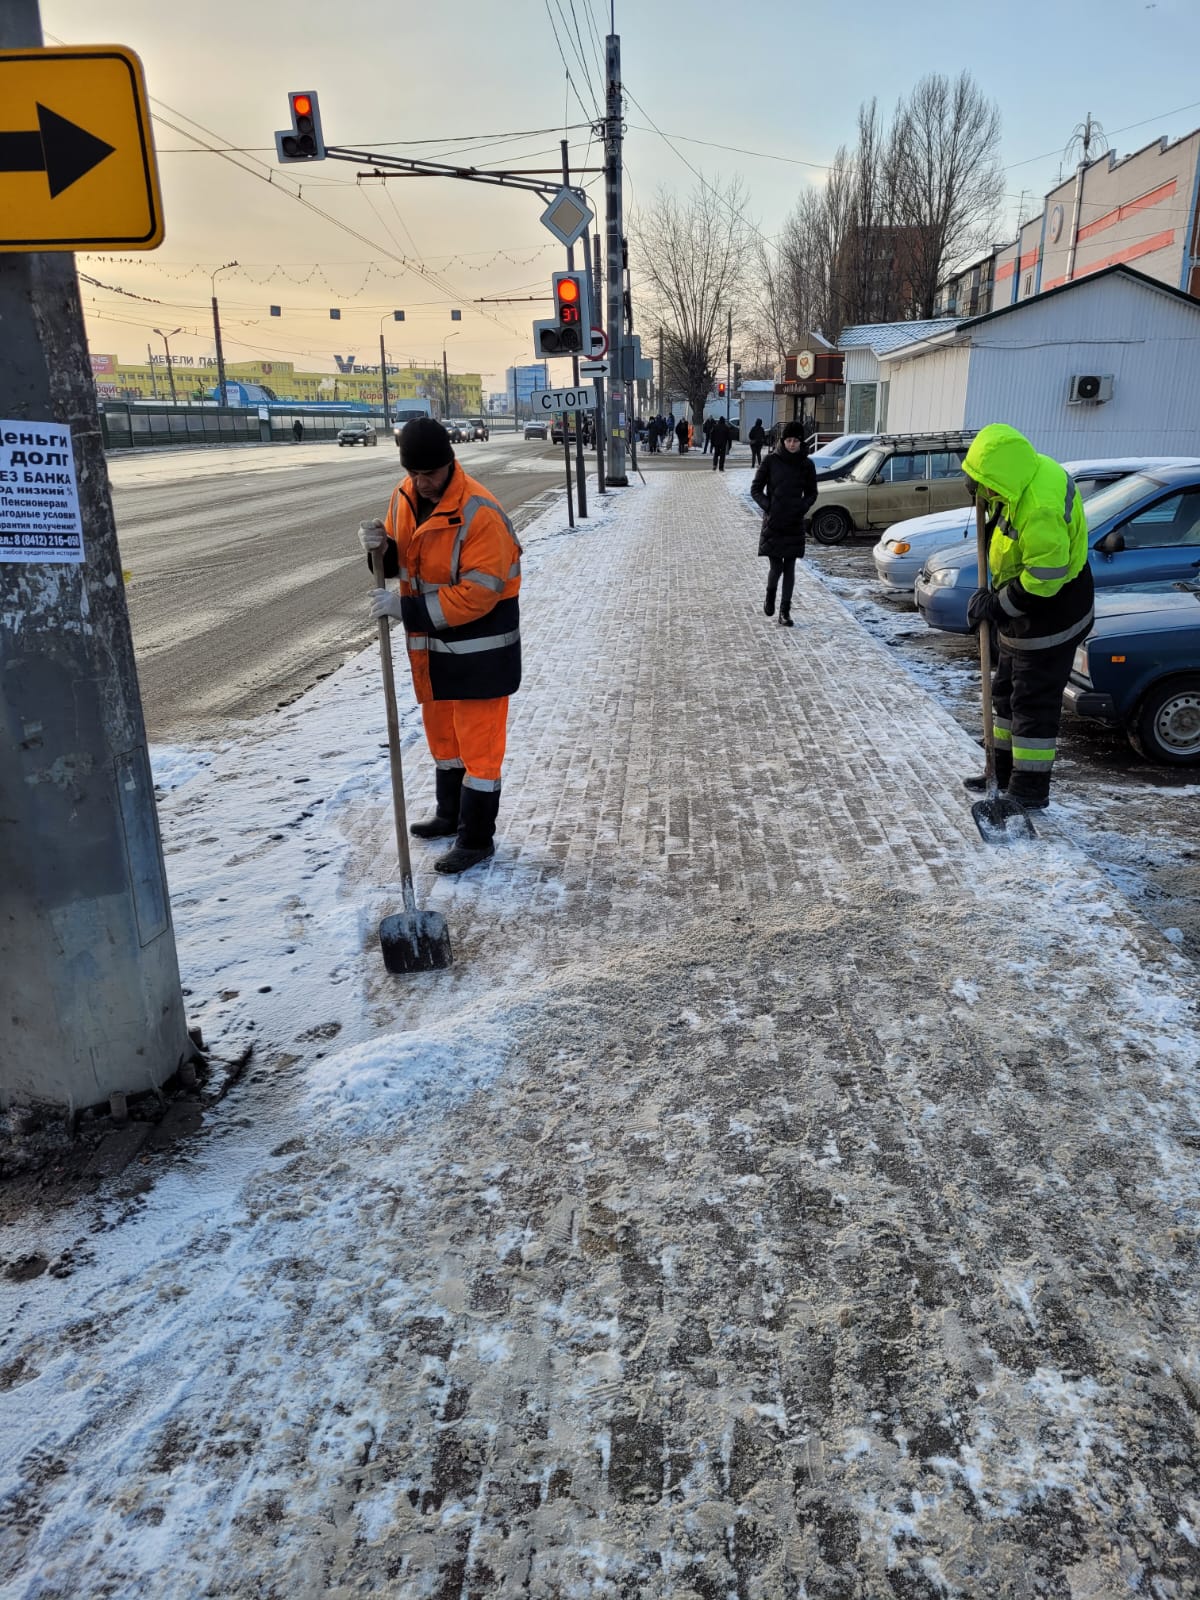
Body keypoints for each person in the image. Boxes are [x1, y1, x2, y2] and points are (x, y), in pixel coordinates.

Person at [357, 416, 522, 873]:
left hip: (480, 654)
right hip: (433, 649)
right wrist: (379, 549)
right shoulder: (405, 496)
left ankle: (476, 839)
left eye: (429, 473)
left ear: (450, 463)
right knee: (444, 740)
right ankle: (449, 816)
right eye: (414, 473)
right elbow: (402, 560)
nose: (421, 482)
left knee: (480, 752)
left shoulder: (479, 512)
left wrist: (404, 610)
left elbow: (478, 593)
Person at [961, 423, 1094, 811]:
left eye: (984, 484)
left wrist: (998, 606)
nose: (982, 491)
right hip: (1025, 605)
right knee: (1005, 693)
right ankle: (999, 770)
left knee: (1032, 703)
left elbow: (1044, 578)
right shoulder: (1018, 477)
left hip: (1052, 612)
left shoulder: (1041, 506)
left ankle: (1029, 791)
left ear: (1001, 476)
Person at [750, 420, 817, 628]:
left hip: (794, 522)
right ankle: (770, 595)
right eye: (788, 440)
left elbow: (812, 493)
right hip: (774, 523)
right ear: (783, 441)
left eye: (795, 440)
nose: (791, 444)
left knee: (790, 567)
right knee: (776, 566)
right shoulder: (770, 461)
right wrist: (768, 506)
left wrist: (801, 507)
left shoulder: (806, 464)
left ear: (800, 442)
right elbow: (755, 489)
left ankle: (785, 611)